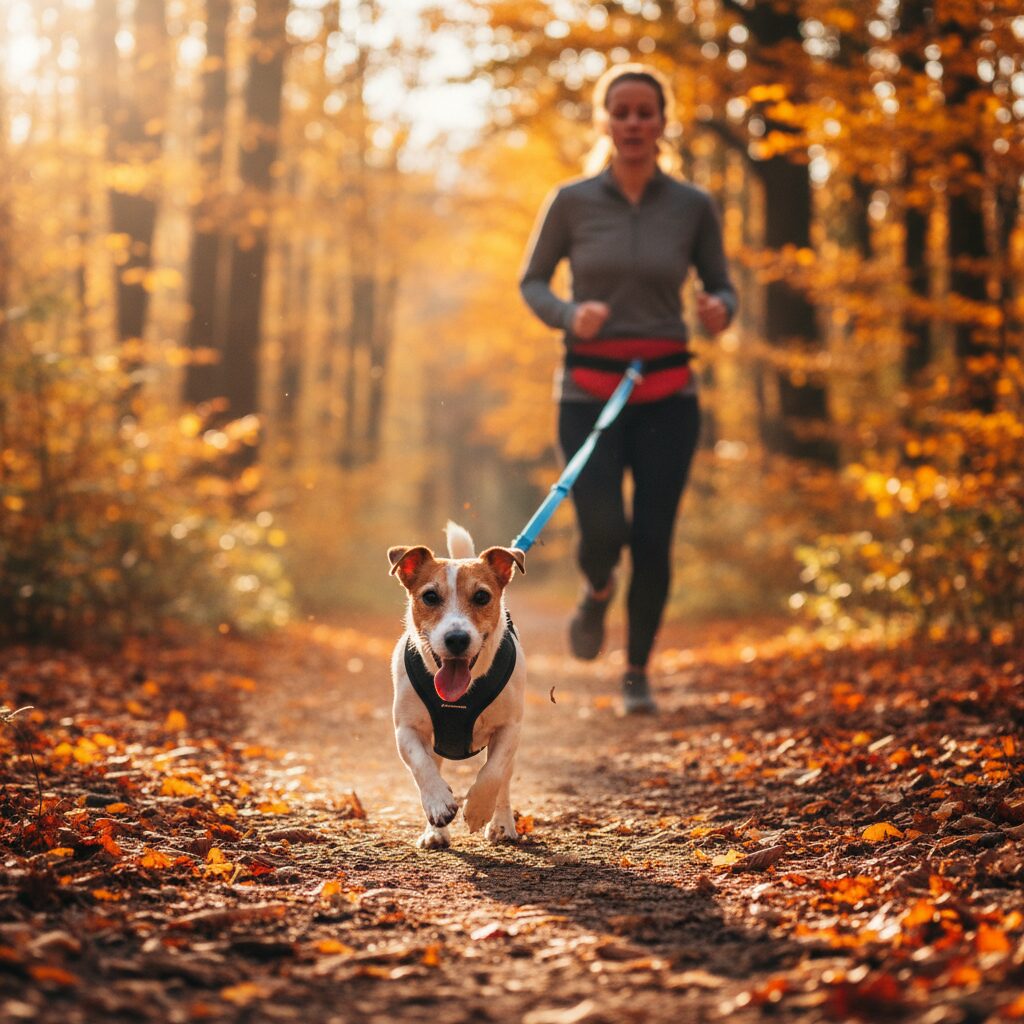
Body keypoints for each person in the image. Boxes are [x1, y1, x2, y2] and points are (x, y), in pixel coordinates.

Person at [519, 62, 737, 714]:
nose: (634, 123)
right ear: (606, 121)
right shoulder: (572, 200)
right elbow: (532, 281)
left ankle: (637, 671)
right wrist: (567, 314)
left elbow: (722, 284)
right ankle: (595, 593)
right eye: (623, 111)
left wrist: (720, 308)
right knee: (603, 529)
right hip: (588, 390)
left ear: (663, 123)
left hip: (669, 392)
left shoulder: (692, 206)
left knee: (652, 537)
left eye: (646, 112)